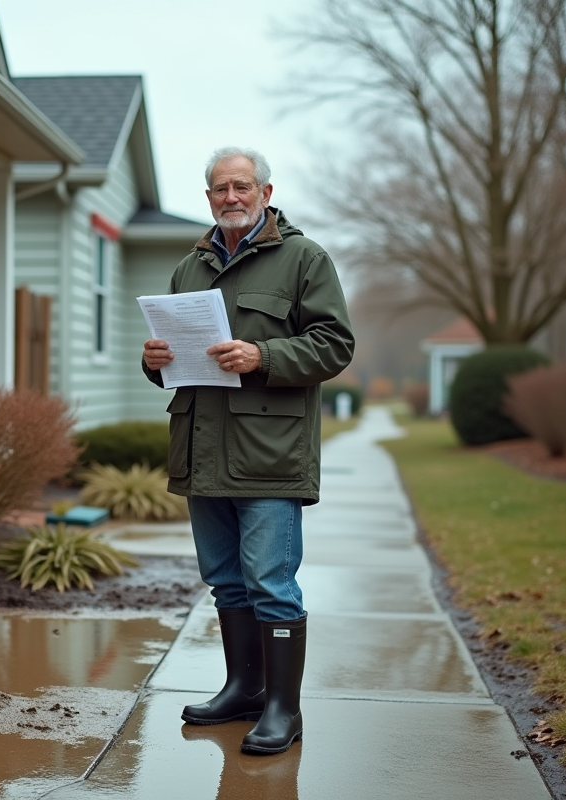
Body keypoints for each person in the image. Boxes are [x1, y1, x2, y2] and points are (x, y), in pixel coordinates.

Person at [141, 147, 354, 755]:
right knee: (226, 581)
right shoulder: (190, 266)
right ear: (208, 197)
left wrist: (265, 355)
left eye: (241, 186)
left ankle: (284, 709)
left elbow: (335, 344)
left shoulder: (303, 259)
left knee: (270, 582)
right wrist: (154, 361)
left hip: (269, 452)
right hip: (202, 449)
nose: (230, 197)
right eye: (218, 189)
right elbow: (177, 360)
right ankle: (244, 688)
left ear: (265, 191)